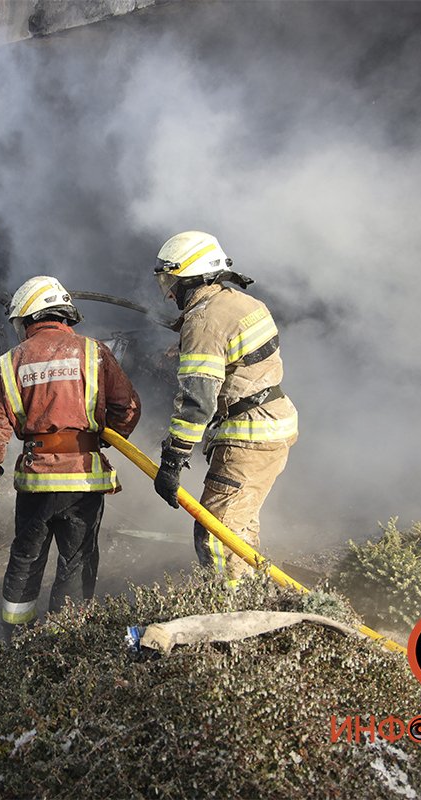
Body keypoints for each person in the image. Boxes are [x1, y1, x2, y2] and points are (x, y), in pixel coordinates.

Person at [0, 276, 141, 640]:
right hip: (84, 480)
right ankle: (67, 641)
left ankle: (17, 640)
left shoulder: (10, 362)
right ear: (63, 315)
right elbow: (127, 408)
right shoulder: (95, 352)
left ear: (30, 318)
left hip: (37, 482)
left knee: (26, 559)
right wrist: (104, 438)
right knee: (76, 563)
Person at [150, 231, 298, 578]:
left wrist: (173, 459)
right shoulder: (243, 303)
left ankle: (231, 618)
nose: (169, 292)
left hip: (248, 437)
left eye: (172, 281)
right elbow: (241, 360)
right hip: (274, 423)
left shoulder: (204, 320)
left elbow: (198, 402)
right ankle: (256, 605)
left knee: (217, 536)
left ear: (193, 278)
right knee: (239, 530)